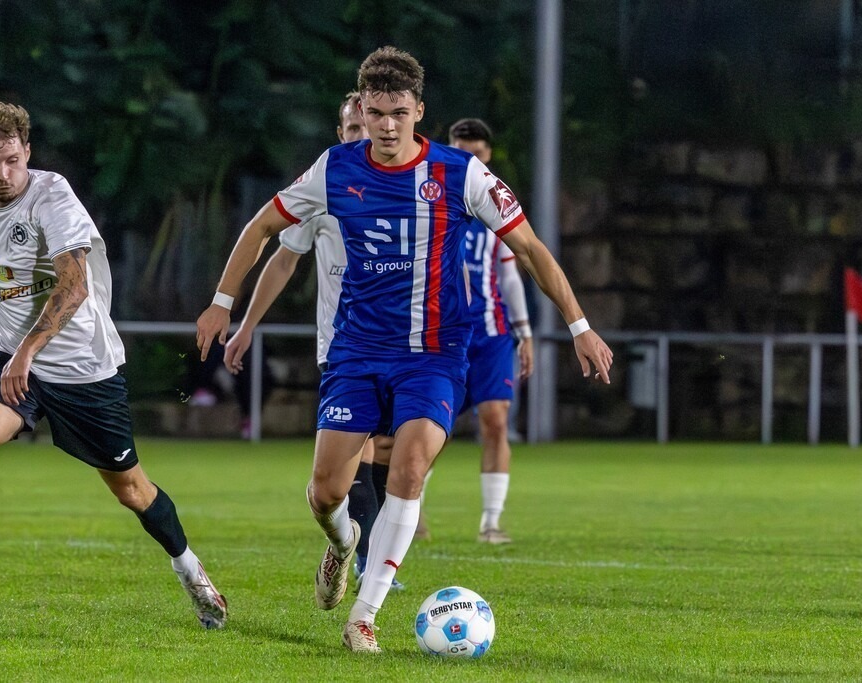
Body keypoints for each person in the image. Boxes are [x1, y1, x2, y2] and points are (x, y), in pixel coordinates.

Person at [196, 47, 613, 653]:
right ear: (359, 111)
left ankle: (364, 616)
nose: (385, 126)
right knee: (326, 493)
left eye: (398, 112)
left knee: (410, 468)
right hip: (356, 352)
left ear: (419, 111)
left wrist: (579, 326)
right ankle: (341, 546)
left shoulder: (460, 175)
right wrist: (221, 301)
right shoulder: (334, 170)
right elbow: (264, 228)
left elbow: (528, 248)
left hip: (434, 354)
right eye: (373, 113)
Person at [0, 102, 227, 628]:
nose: (2, 174)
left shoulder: (52, 195)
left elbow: (75, 286)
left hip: (84, 369)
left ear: (27, 151)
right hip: (13, 358)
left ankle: (190, 570)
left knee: (131, 489)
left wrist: (28, 350)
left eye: (10, 160)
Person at [223, 92, 404, 592]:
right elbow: (283, 258)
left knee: (391, 450)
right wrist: (247, 324)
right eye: (350, 129)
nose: (361, 137)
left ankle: (363, 550)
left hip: (403, 344)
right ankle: (362, 556)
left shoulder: (411, 183)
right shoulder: (323, 187)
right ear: (340, 133)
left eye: (366, 127)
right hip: (343, 347)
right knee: (360, 457)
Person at [450, 118, 534, 544]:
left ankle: (490, 521)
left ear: (488, 155)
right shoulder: (436, 198)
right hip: (445, 334)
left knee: (496, 421)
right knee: (425, 429)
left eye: (479, 152)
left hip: (493, 332)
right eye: (463, 150)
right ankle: (411, 509)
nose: (472, 159)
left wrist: (525, 333)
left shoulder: (497, 204)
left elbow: (511, 274)